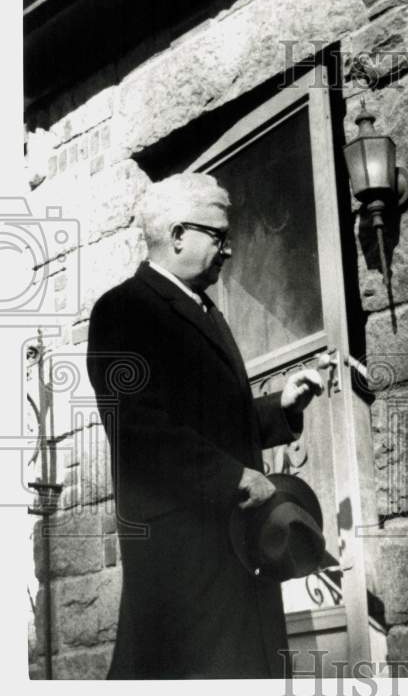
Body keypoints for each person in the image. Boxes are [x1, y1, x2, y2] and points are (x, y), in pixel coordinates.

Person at [86, 172, 323, 679]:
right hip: (182, 566)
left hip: (234, 552)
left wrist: (280, 407)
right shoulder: (125, 308)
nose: (229, 250)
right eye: (218, 235)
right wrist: (235, 479)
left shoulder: (206, 312)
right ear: (177, 235)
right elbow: (140, 432)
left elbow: (216, 424)